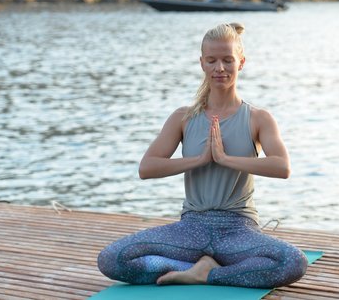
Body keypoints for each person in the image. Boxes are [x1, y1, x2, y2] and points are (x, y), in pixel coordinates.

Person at [98, 22, 307, 288]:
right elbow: (147, 167)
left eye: (227, 60)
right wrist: (198, 160)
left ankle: (206, 274)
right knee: (112, 259)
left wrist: (225, 159)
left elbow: (282, 166)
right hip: (191, 229)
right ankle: (193, 268)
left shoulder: (258, 118)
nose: (220, 68)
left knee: (292, 262)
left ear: (241, 62)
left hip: (237, 228)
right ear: (202, 64)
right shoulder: (183, 117)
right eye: (212, 60)